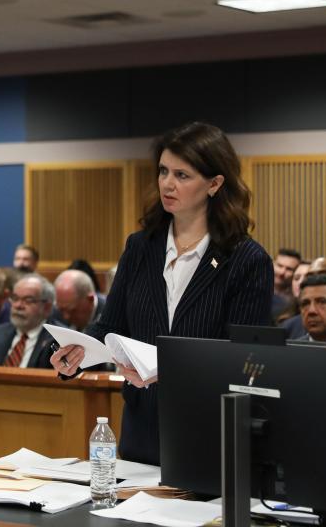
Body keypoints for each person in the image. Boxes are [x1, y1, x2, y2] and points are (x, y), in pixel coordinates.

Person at [51, 122, 272, 465]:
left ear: (214, 184)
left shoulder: (246, 259)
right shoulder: (140, 247)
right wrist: (76, 352)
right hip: (141, 434)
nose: (167, 183)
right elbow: (110, 325)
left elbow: (245, 361)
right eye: (164, 171)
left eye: (183, 175)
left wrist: (167, 369)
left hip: (209, 438)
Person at [0, 274, 57, 369]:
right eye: (15, 298)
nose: (18, 305)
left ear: (47, 307)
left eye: (28, 300)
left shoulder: (59, 341)